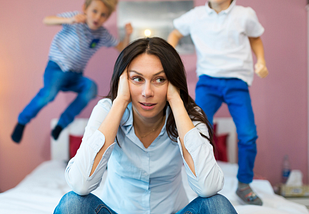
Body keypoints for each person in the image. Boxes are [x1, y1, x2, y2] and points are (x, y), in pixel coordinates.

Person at [53, 37, 237, 214]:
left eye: (159, 80)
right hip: (116, 210)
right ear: (123, 80)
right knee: (72, 204)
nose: (147, 92)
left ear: (172, 82)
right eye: (137, 79)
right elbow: (80, 183)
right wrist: (120, 101)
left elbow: (209, 187)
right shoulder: (107, 110)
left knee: (217, 205)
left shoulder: (189, 116)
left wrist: (176, 101)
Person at [167, 0, 268, 206]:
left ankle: (244, 185)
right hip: (207, 83)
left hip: (237, 83)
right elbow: (176, 32)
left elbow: (255, 38)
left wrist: (261, 61)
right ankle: (202, 180)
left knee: (248, 134)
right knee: (197, 132)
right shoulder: (195, 16)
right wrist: (167, 57)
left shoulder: (244, 14)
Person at [11, 0, 133, 143]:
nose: (97, 17)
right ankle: (22, 121)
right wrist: (70, 20)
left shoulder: (102, 34)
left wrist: (128, 35)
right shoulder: (75, 18)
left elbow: (121, 47)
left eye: (103, 15)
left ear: (107, 18)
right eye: (94, 11)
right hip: (56, 69)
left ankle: (61, 124)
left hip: (75, 75)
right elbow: (47, 20)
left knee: (91, 88)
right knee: (48, 95)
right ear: (85, 9)